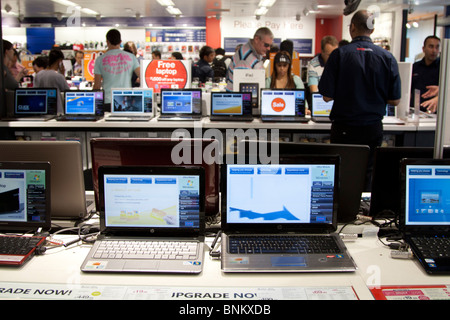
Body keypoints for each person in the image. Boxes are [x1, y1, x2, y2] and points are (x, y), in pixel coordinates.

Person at [318, 10, 401, 191]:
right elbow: (395, 100)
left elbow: (326, 96)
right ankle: (363, 215)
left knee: (341, 173)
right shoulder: (387, 58)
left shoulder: (339, 55)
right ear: (371, 29)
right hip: (372, 128)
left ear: (353, 27)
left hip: (344, 128)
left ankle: (342, 215)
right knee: (368, 173)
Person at [93, 29, 140, 110]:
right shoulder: (131, 57)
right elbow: (142, 76)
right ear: (120, 41)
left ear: (107, 42)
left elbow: (97, 86)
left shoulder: (99, 60)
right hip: (126, 100)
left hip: (107, 101)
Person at [226, 27, 274, 91]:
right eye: (266, 45)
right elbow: (243, 91)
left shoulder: (255, 54)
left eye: (270, 46)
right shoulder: (245, 59)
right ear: (256, 39)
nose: (268, 48)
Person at [411, 35, 440, 113]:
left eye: (437, 47)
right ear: (423, 49)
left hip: (435, 113)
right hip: (415, 111)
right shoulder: (415, 67)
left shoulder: (444, 68)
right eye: (431, 47)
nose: (434, 50)